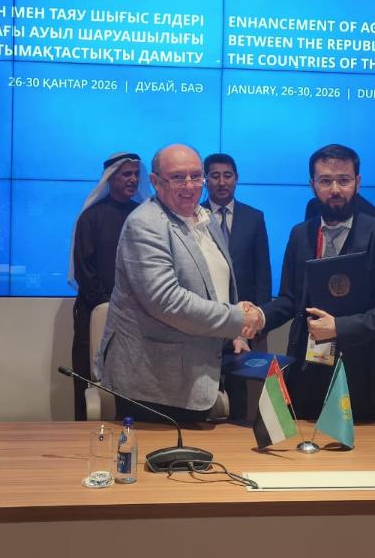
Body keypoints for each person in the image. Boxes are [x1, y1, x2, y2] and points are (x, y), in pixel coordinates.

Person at [97, 144, 265, 423]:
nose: (190, 186)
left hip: (199, 373)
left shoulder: (202, 216)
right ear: (155, 181)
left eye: (196, 176)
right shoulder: (145, 224)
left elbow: (215, 283)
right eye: (177, 177)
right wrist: (236, 318)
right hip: (155, 382)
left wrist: (235, 331)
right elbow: (167, 301)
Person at [262, 144, 375, 421]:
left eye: (344, 180)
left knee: (371, 449)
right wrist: (256, 318)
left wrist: (338, 328)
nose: (335, 189)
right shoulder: (300, 234)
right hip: (309, 375)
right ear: (312, 184)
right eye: (325, 181)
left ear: (358, 182)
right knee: (305, 447)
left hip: (367, 376)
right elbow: (289, 299)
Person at [68, 152, 150, 420]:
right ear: (110, 178)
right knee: (88, 381)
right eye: (126, 174)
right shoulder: (91, 217)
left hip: (137, 318)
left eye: (136, 174)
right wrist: (108, 306)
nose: (133, 179)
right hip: (96, 313)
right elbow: (85, 269)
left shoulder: (145, 216)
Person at [202, 153, 271, 420]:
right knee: (205, 389)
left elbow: (262, 274)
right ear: (206, 180)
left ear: (236, 179)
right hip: (206, 320)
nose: (222, 182)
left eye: (227, 175)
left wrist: (260, 320)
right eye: (215, 176)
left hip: (245, 322)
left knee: (241, 394)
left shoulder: (254, 217)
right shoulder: (193, 217)